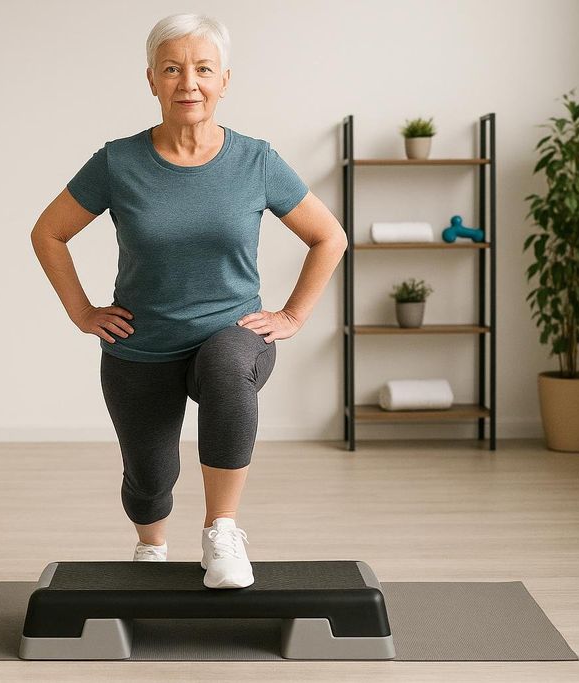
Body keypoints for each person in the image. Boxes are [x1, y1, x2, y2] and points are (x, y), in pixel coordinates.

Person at [31, 13, 347, 589]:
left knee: (227, 368)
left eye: (204, 69)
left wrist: (293, 315)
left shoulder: (256, 160)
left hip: (234, 332)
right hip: (141, 345)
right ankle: (151, 546)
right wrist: (82, 311)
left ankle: (221, 530)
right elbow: (47, 232)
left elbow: (329, 236)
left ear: (225, 80)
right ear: (151, 79)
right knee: (150, 478)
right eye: (173, 69)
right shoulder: (118, 162)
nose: (189, 83)